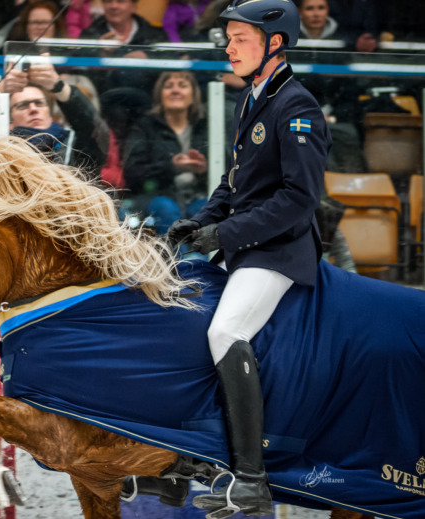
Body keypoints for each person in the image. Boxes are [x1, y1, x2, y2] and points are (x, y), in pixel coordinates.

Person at [167, 0, 331, 515]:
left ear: (274, 44)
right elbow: (235, 182)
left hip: (278, 253)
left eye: (240, 38)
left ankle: (252, 481)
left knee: (225, 332)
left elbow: (297, 200)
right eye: (229, 38)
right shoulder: (253, 99)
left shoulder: (297, 107)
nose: (229, 47)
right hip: (247, 245)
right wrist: (202, 219)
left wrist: (226, 233)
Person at [0, 59, 109, 176]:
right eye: (23, 105)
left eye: (39, 103)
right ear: (10, 122)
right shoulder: (1, 148)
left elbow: (96, 131)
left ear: (50, 114)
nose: (33, 109)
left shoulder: (72, 145)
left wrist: (58, 86)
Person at [123, 71, 208, 235]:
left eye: (182, 86)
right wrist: (172, 167)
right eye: (169, 86)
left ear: (193, 95)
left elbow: (227, 170)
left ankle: (199, 260)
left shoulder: (205, 127)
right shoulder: (144, 127)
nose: (175, 90)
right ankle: (180, 261)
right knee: (165, 208)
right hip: (156, 197)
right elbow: (132, 172)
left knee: (206, 209)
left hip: (197, 196)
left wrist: (204, 171)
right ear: (159, 95)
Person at [78, 0, 169, 93]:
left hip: (149, 102)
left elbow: (171, 69)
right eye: (108, 1)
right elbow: (79, 74)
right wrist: (102, 54)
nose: (113, 6)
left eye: (120, 1)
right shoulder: (89, 35)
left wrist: (148, 59)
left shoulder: (155, 35)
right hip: (105, 102)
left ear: (134, 6)